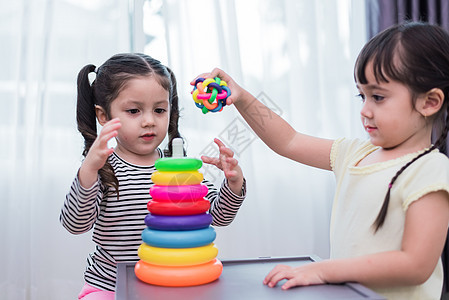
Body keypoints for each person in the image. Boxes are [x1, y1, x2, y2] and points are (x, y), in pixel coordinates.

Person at [193, 22, 449, 299]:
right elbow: (288, 141)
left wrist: (324, 270)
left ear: (430, 102)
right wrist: (241, 97)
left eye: (378, 97)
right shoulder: (354, 153)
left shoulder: (431, 170)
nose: (364, 110)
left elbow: (416, 265)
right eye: (361, 96)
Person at [60, 53, 246, 300]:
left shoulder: (179, 168)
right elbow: (75, 224)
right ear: (103, 116)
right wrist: (89, 171)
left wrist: (233, 184)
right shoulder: (103, 169)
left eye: (159, 110)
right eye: (134, 110)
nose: (149, 121)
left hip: (170, 284)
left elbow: (218, 216)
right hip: (110, 287)